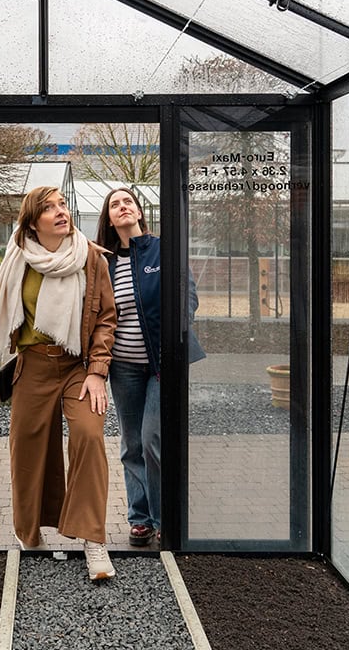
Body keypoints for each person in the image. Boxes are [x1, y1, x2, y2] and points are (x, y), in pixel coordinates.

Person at [0, 186, 118, 581]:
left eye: (62, 204)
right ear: (32, 221)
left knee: (90, 436)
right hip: (33, 365)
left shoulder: (90, 257)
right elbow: (4, 311)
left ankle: (93, 540)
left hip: (77, 365)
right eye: (49, 208)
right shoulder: (18, 256)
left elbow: (106, 318)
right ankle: (29, 535)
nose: (61, 211)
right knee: (27, 448)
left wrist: (97, 371)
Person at [95, 187, 206, 547]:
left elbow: (188, 294)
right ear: (109, 219)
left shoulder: (163, 248)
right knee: (131, 444)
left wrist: (177, 331)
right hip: (124, 367)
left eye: (128, 201)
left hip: (162, 365)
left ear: (140, 212)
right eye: (115, 204)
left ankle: (163, 517)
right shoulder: (105, 262)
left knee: (151, 439)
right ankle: (139, 518)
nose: (122, 207)